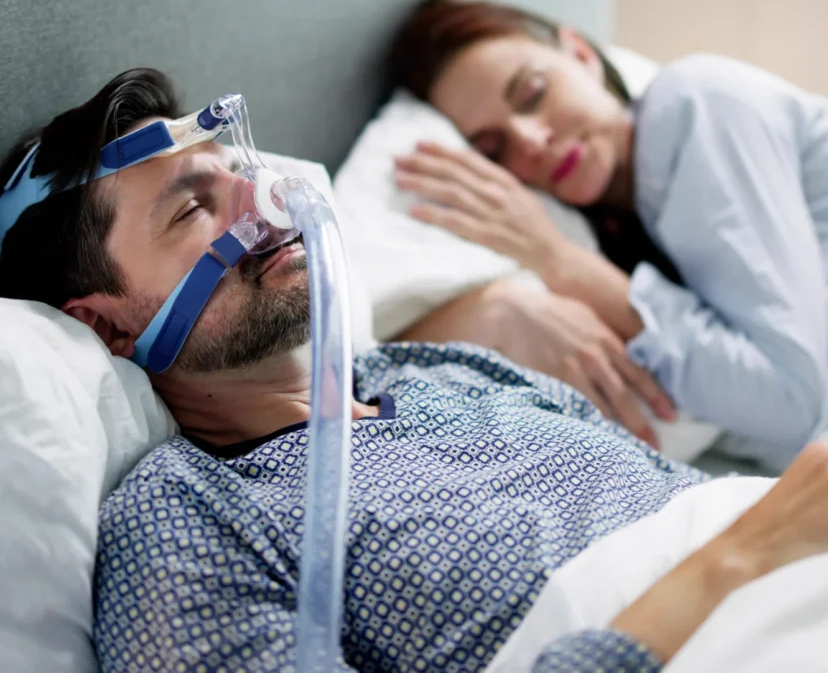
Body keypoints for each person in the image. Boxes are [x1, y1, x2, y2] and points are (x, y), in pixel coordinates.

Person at [2, 69, 828, 672]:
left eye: (241, 176)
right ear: (105, 325)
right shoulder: (184, 523)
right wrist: (733, 563)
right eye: (192, 209)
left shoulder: (446, 373)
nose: (264, 206)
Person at [388, 0, 828, 470]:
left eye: (533, 94)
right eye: (495, 150)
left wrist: (558, 259)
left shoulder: (692, 106)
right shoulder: (620, 221)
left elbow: (795, 401)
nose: (532, 142)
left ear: (581, 54)